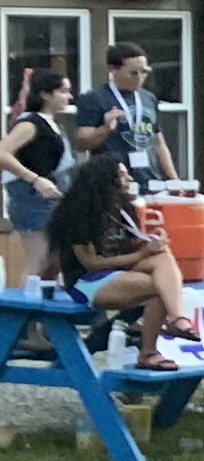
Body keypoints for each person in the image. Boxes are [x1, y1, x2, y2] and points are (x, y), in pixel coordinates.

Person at [42, 149, 192, 367]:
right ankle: (149, 350)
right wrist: (142, 254)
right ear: (105, 181)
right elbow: (90, 263)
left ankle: (177, 319)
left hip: (119, 273)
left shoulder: (123, 208)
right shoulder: (78, 213)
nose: (129, 179)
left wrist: (150, 242)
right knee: (161, 288)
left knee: (162, 257)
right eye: (123, 175)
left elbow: (131, 247)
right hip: (86, 282)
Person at [7, 62, 72, 285]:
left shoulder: (53, 124)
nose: (68, 97)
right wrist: (34, 179)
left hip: (53, 199)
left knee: (54, 263)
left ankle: (43, 316)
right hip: (31, 199)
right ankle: (20, 314)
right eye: (62, 91)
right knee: (39, 260)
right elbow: (2, 153)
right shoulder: (30, 123)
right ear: (45, 94)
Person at [69, 41, 164, 185]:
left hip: (149, 180)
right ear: (113, 69)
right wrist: (105, 129)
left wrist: (174, 178)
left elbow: (158, 142)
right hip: (112, 182)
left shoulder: (149, 98)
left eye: (144, 72)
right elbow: (80, 144)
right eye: (133, 73)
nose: (139, 77)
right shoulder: (94, 98)